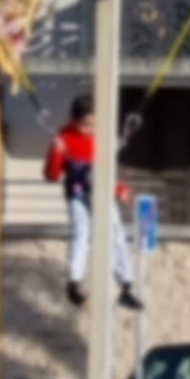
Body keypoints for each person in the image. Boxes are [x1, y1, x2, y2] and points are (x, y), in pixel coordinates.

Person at [43, 92, 142, 309]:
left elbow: (107, 172)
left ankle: (126, 284)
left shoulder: (104, 138)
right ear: (74, 120)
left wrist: (120, 190)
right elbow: (51, 176)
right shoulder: (64, 138)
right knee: (83, 231)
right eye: (86, 125)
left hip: (101, 190)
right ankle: (74, 282)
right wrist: (56, 153)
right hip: (78, 194)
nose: (91, 130)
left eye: (95, 124)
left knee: (115, 231)